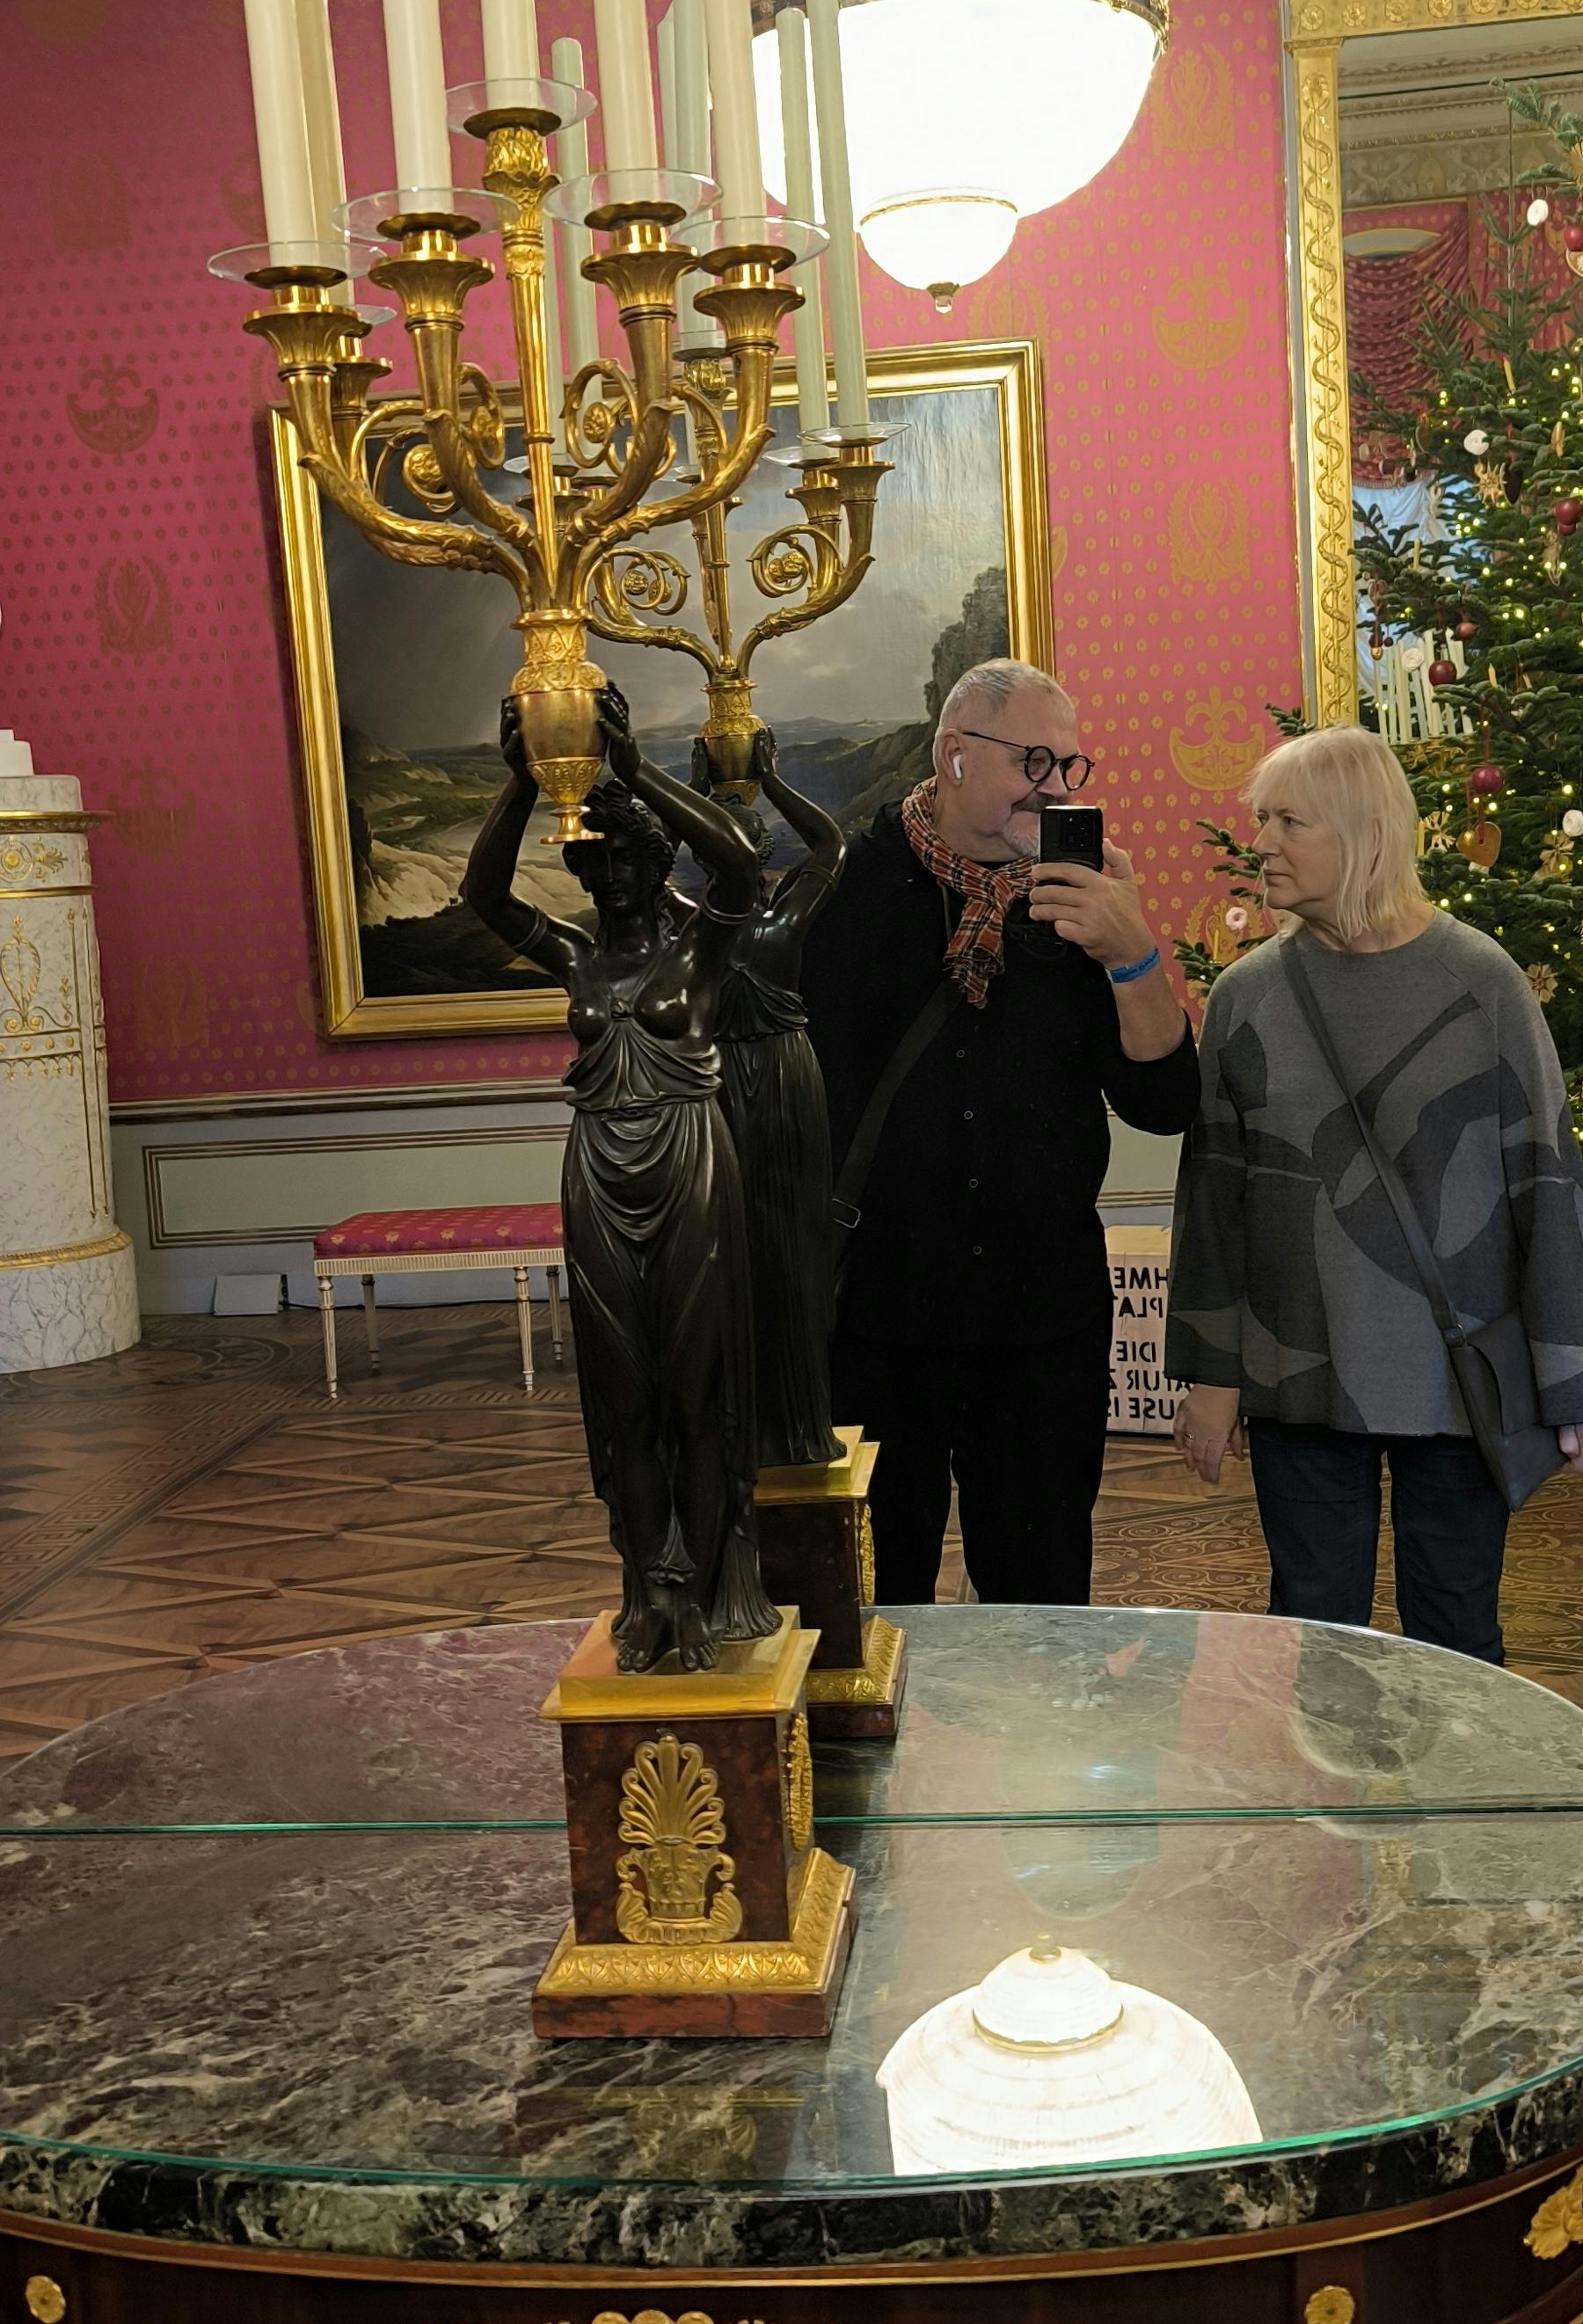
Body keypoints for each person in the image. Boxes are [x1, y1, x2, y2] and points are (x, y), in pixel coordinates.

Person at [1167, 725, 1583, 1663]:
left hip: (1457, 1383)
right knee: (1318, 1643)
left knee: (1457, 1641)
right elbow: (1215, 1204)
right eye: (1261, 820)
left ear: (1363, 832)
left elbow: (1548, 1187)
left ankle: (1455, 1774)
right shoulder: (1245, 995)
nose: (1261, 843)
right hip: (1296, 1378)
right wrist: (1213, 1377)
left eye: (1289, 822)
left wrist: (1568, 1382)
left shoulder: (1483, 983)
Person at [799, 656, 1200, 1606]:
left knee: (1042, 1600)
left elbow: (1166, 1101)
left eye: (1069, 765)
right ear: (954, 757)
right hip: (874, 1324)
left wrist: (1131, 951)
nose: (1055, 788)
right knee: (871, 1598)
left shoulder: (1083, 903)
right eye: (1033, 761)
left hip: (1040, 1328)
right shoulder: (840, 893)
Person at [468, 684, 777, 1672]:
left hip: (690, 1162)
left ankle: (708, 1589)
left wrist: (634, 770)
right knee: (625, 1395)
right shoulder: (575, 958)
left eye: (628, 861)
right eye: (595, 863)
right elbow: (483, 897)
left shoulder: (702, 945)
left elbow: (740, 865)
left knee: (696, 1391)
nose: (611, 879)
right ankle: (651, 1589)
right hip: (599, 1169)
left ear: (656, 862)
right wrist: (524, 782)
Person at [689, 725, 846, 1468]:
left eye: (740, 841)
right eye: (716, 843)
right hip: (721, 1087)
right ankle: (748, 1425)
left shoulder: (778, 918)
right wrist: (706, 794)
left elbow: (830, 848)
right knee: (729, 1246)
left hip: (784, 1084)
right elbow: (827, 847)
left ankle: (801, 1421)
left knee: (794, 1243)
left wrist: (768, 782)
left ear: (759, 852)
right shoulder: (695, 927)